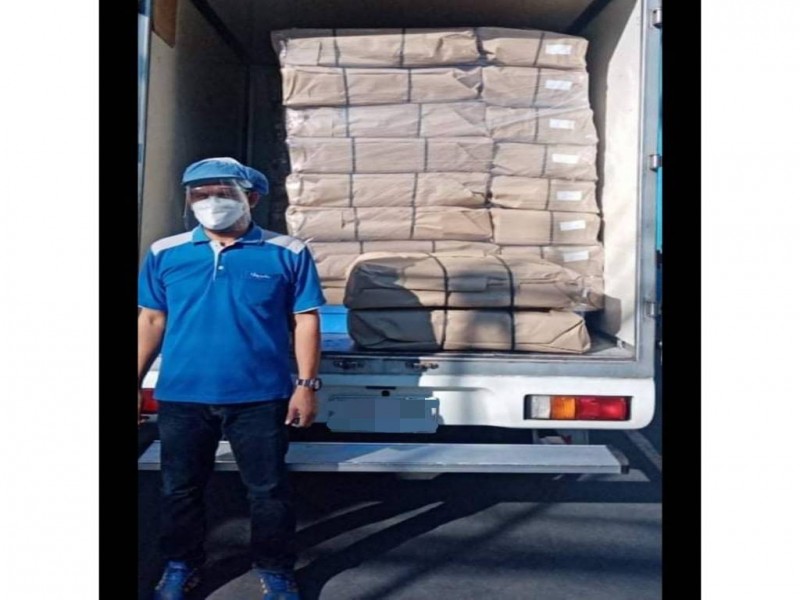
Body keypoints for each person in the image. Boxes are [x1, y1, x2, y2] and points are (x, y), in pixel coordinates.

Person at [138, 157, 326, 600]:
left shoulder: (287, 252)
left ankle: (275, 569)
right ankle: (181, 565)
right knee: (179, 489)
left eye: (223, 193)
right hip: (184, 395)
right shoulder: (165, 252)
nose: (210, 202)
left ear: (251, 199)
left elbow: (305, 320)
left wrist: (306, 386)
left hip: (259, 395)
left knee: (268, 491)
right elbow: (151, 319)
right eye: (199, 194)